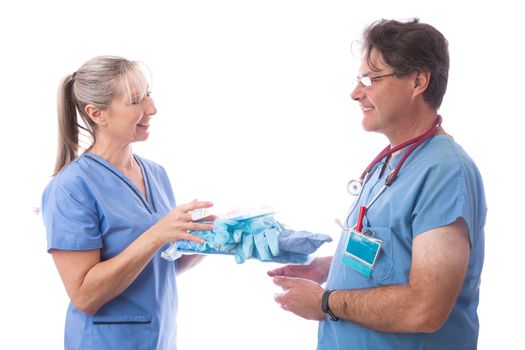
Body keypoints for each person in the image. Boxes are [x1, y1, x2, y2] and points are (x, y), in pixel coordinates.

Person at [268, 18, 486, 349]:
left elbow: (425, 308)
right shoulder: (391, 163)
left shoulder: (444, 172)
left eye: (370, 79)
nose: (356, 93)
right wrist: (330, 267)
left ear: (417, 81)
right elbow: (394, 255)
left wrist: (326, 302)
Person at [41, 56, 215, 349]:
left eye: (148, 94)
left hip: (160, 338)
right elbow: (84, 295)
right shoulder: (71, 187)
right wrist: (158, 234)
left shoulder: (156, 174)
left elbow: (159, 268)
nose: (152, 108)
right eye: (135, 100)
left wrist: (209, 238)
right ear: (97, 114)